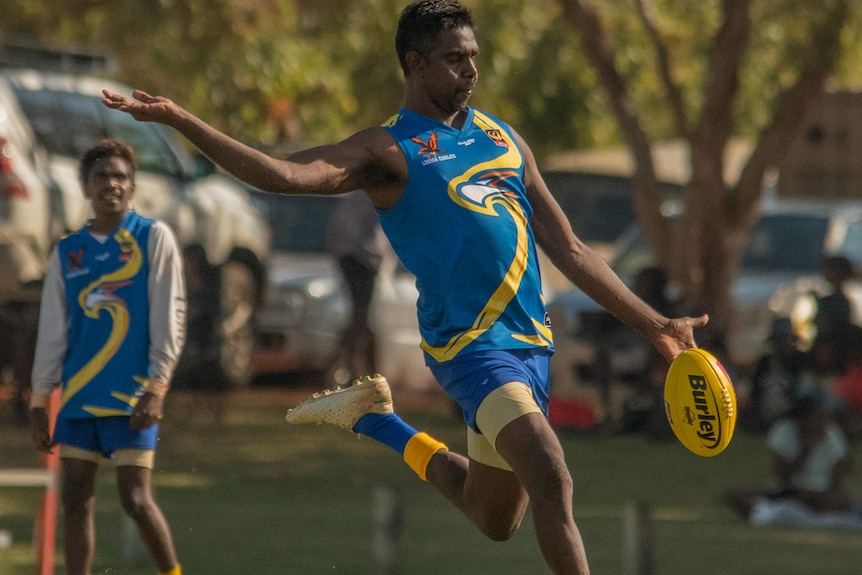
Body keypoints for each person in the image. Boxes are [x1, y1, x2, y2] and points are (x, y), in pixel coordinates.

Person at [102, 2, 707, 572]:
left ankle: (377, 419)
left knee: (495, 518)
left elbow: (571, 249)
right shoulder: (387, 150)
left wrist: (656, 323)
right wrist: (182, 120)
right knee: (550, 471)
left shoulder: (502, 139)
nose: (470, 69)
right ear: (415, 64)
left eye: (473, 55)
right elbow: (283, 174)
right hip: (471, 349)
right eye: (454, 59)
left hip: (531, 347)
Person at [29, 140, 185, 575]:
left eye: (120, 176)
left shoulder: (152, 238)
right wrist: (40, 401)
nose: (111, 184)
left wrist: (158, 384)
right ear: (85, 187)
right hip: (79, 393)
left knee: (135, 500)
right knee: (75, 497)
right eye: (101, 176)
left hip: (131, 392)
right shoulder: (67, 251)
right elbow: (53, 330)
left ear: (133, 187)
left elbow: (170, 313)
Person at [724, 394, 856, 522]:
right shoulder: (785, 431)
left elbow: (835, 480)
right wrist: (807, 448)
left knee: (837, 502)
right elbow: (783, 475)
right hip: (791, 493)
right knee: (737, 495)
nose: (821, 423)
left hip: (821, 496)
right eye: (816, 418)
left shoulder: (832, 436)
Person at [325, 190, 388, 385]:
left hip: (352, 257)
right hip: (364, 259)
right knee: (361, 316)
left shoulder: (354, 196)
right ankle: (353, 370)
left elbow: (335, 231)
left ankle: (357, 369)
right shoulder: (376, 194)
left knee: (361, 316)